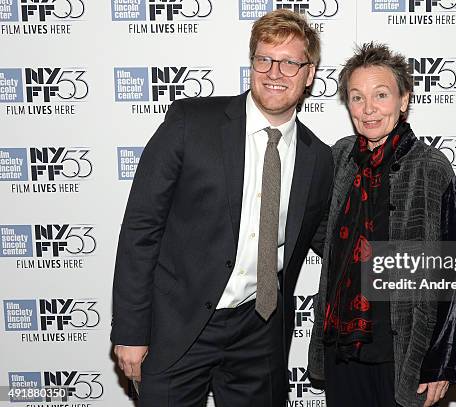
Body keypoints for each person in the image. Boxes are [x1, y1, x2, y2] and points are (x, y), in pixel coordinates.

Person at [111, 9, 333, 407]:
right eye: (264, 59)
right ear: (252, 64)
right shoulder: (191, 122)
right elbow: (141, 228)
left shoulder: (318, 159)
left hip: (260, 332)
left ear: (310, 73)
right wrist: (130, 330)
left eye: (289, 62)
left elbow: (333, 239)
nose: (274, 72)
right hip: (178, 327)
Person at [308, 42, 456, 407]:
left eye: (381, 95)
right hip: (341, 347)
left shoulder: (430, 167)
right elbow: (323, 230)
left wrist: (440, 363)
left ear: (403, 99)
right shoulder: (341, 156)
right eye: (357, 97)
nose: (368, 109)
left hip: (400, 352)